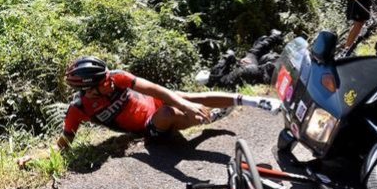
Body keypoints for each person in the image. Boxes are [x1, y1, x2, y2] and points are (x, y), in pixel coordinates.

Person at [17, 56, 282, 165]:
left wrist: (185, 102)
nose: (110, 81)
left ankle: (253, 101)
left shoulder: (116, 77)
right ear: (90, 90)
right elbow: (64, 143)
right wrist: (38, 157)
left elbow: (155, 89)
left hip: (156, 104)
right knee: (172, 114)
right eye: (103, 82)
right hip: (150, 126)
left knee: (185, 97)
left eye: (108, 76)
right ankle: (208, 119)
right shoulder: (79, 109)